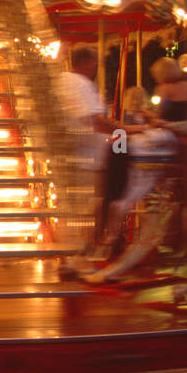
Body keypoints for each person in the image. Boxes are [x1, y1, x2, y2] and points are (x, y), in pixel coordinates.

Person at [57, 46, 115, 270]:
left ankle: (68, 257)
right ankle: (78, 259)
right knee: (86, 210)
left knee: (72, 209)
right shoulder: (80, 84)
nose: (95, 68)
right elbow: (92, 120)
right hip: (86, 158)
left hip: (70, 155)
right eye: (94, 63)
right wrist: (123, 130)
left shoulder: (61, 81)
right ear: (85, 63)